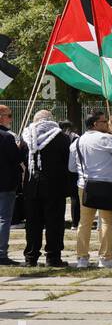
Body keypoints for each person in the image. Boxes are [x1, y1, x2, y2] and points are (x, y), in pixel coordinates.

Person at [68, 110, 112, 269]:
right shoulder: (109, 139)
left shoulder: (77, 142)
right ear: (95, 124)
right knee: (107, 222)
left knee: (84, 223)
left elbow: (71, 167)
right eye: (104, 121)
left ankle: (82, 258)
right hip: (107, 184)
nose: (107, 123)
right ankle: (105, 258)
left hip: (85, 186)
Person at [20, 110, 71, 267]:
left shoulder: (26, 137)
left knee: (32, 223)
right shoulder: (60, 137)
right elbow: (67, 161)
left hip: (31, 185)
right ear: (51, 120)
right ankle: (53, 257)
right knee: (54, 223)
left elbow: (22, 159)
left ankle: (31, 257)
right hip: (54, 186)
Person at [0, 103, 21, 266]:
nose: (11, 119)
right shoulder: (7, 137)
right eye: (9, 115)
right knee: (4, 219)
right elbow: (16, 159)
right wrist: (19, 149)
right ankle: (1, 253)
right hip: (5, 184)